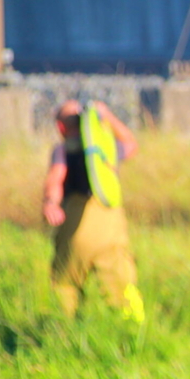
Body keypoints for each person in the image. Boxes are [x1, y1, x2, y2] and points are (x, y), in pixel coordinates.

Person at [43, 99, 145, 322]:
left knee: (65, 284)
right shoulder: (106, 148)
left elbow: (55, 178)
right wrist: (107, 115)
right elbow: (131, 143)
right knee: (121, 286)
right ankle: (134, 333)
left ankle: (63, 333)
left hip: (75, 229)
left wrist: (51, 203)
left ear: (60, 127)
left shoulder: (62, 150)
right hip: (110, 228)